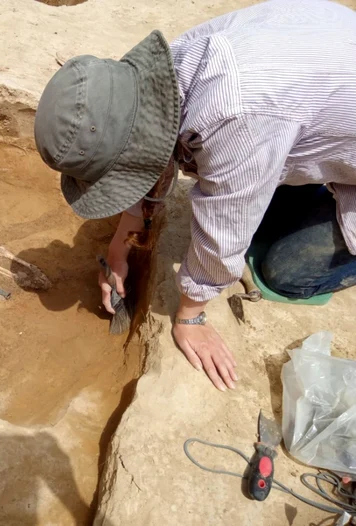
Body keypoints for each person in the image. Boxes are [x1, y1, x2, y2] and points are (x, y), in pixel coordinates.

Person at [33, 0, 356, 392]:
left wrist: (190, 315)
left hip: (304, 111)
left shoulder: (236, 114)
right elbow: (153, 152)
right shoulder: (167, 75)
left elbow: (225, 234)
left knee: (283, 271)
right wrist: (122, 243)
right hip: (320, 96)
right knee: (244, 200)